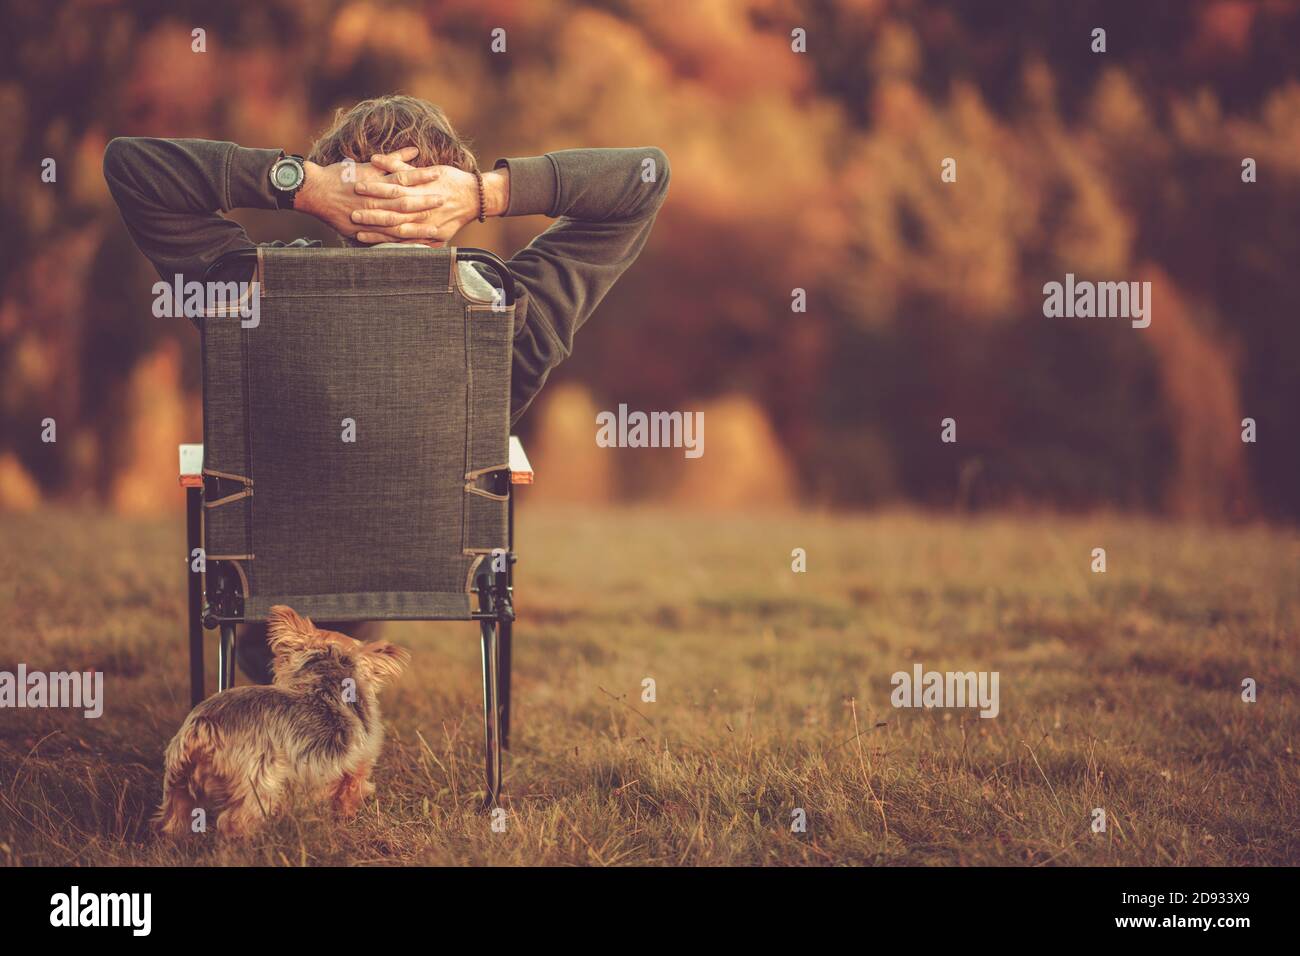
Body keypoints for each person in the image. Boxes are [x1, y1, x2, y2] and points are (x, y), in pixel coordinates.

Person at [104, 94, 670, 682]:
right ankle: (347, 631)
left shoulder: (249, 293)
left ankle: (290, 638)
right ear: (445, 188)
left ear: (335, 199)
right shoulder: (508, 314)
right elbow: (645, 177)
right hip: (432, 562)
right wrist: (488, 193)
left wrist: (297, 183)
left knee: (317, 507)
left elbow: (130, 165)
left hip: (275, 559)